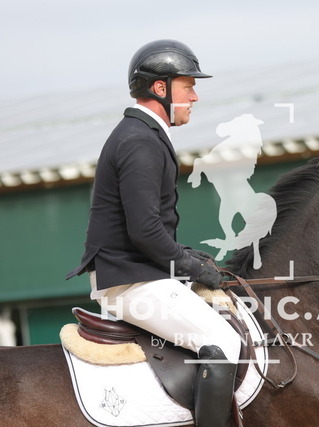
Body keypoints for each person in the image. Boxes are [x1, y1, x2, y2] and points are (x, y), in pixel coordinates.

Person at [66, 39, 241, 426]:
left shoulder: (143, 135)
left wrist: (187, 256)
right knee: (225, 342)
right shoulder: (140, 140)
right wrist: (191, 267)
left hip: (138, 273)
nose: (194, 96)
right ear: (160, 88)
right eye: (188, 86)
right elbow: (145, 231)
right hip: (131, 281)